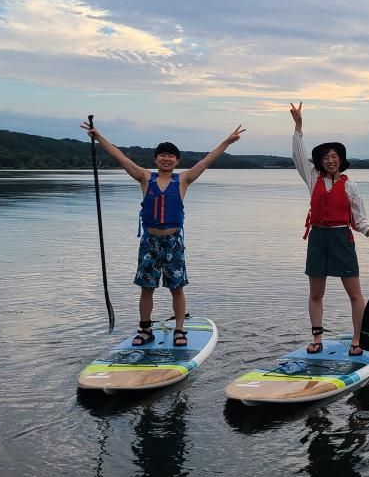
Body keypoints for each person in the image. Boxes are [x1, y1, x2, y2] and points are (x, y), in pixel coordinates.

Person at [80, 120, 245, 347]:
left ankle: (179, 330)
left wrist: (227, 141)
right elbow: (121, 157)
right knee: (146, 288)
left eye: (171, 156)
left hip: (173, 243)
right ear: (156, 159)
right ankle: (145, 330)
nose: (166, 159)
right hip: (150, 242)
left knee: (177, 288)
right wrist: (98, 137)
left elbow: (207, 160)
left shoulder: (184, 179)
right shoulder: (145, 178)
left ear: (177, 161)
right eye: (162, 155)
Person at [289, 102, 369, 357]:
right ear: (320, 162)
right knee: (316, 293)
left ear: (340, 160)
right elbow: (298, 157)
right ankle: (317, 337)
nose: (330, 160)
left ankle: (357, 338)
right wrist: (298, 127)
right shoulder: (312, 177)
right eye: (326, 157)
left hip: (342, 238)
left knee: (355, 294)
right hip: (318, 238)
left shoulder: (351, 186)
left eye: (334, 156)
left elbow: (360, 220)